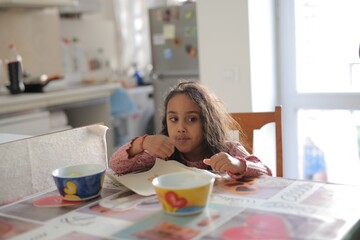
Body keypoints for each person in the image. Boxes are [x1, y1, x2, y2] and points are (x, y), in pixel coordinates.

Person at [109, 81, 272, 179]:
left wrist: (238, 165)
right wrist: (141, 143)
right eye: (173, 119)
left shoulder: (229, 150)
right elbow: (116, 166)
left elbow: (266, 173)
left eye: (192, 119)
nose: (180, 128)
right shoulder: (162, 155)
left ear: (207, 122)